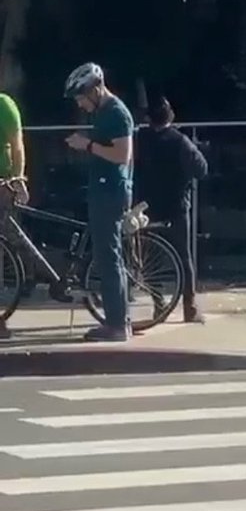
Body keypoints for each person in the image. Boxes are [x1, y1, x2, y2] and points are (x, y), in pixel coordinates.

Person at [63, 62, 134, 342]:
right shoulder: (103, 112)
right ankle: (118, 321)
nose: (80, 104)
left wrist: (88, 145)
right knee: (107, 257)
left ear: (95, 89)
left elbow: (122, 155)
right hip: (102, 189)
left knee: (109, 258)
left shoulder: (117, 113)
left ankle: (117, 325)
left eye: (81, 97)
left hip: (111, 192)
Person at [133, 97, 207, 323]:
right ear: (170, 116)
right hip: (176, 206)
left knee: (151, 258)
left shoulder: (140, 139)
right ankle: (189, 307)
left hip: (147, 206)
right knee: (184, 257)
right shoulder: (180, 141)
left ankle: (159, 303)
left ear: (148, 119)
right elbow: (201, 169)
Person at [0, 91, 27, 340]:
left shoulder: (4, 105)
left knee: (6, 246)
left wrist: (17, 179)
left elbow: (17, 145)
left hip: (1, 185)